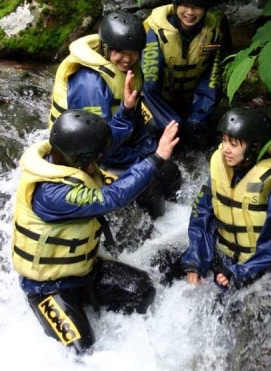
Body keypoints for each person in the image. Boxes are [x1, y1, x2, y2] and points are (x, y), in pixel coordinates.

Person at [12, 109, 179, 354]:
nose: (102, 159)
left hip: (84, 270)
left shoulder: (65, 155)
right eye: (97, 156)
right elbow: (112, 198)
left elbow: (105, 140)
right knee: (82, 352)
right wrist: (156, 158)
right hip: (47, 287)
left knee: (142, 291)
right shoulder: (53, 193)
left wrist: (126, 111)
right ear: (83, 158)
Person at [49, 11, 182, 218]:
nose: (127, 59)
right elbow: (97, 146)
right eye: (120, 51)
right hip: (92, 158)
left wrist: (148, 151)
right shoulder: (90, 85)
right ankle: (153, 239)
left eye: (133, 52)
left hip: (118, 144)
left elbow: (136, 121)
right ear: (105, 47)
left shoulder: (128, 69)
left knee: (170, 172)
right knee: (150, 188)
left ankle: (175, 221)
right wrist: (144, 160)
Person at [181, 107, 271, 289]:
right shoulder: (220, 169)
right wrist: (195, 262)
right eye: (224, 141)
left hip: (270, 270)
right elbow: (201, 214)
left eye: (234, 144)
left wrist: (241, 271)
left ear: (255, 146)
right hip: (227, 259)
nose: (226, 150)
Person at [142, 0, 232, 150]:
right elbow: (148, 85)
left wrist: (199, 115)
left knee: (198, 137)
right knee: (162, 141)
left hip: (188, 101)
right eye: (185, 5)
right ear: (175, 5)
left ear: (205, 8)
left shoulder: (213, 31)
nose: (190, 13)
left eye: (197, 7)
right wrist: (169, 121)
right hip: (156, 102)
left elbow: (212, 79)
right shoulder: (154, 32)